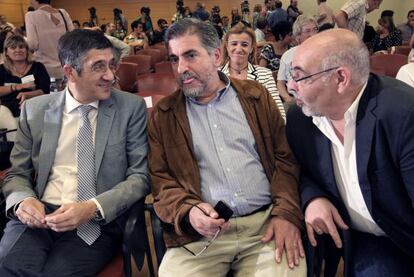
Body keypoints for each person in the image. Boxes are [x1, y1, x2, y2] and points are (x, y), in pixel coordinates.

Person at [148, 18, 305, 277]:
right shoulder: (164, 115)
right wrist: (188, 211)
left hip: (264, 226)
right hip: (201, 235)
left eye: (190, 56)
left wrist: (286, 214)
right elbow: (161, 181)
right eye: (175, 59)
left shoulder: (255, 96)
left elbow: (285, 160)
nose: (181, 68)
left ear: (216, 55)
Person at [0, 29, 149, 275]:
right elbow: (17, 173)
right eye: (98, 67)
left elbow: (140, 176)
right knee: (9, 266)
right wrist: (23, 201)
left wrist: (92, 207)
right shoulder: (36, 111)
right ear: (70, 72)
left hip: (96, 220)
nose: (110, 76)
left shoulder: (129, 108)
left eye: (111, 65)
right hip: (40, 215)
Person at [285, 28, 414, 276]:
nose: (291, 86)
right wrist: (313, 198)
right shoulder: (300, 118)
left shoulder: (403, 114)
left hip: (404, 235)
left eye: (300, 76)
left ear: (340, 78)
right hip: (365, 240)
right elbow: (299, 169)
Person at [220, 22, 285, 120]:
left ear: (251, 48)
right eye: (234, 44)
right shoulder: (216, 75)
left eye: (244, 45)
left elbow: (279, 113)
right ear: (227, 47)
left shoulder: (264, 74)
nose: (238, 49)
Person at [0, 35, 50, 117]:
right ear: (6, 52)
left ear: (27, 50)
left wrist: (27, 94)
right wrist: (16, 87)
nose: (18, 50)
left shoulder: (38, 67)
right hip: (7, 114)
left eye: (21, 47)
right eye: (13, 47)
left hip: (35, 111)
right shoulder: (1, 69)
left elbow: (45, 90)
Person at [25, 0, 74, 80]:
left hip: (45, 68)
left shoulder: (31, 15)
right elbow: (73, 37)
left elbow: (32, 44)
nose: (30, 3)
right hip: (66, 65)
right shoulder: (63, 13)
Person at [277, 15, 318, 104]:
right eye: (307, 31)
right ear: (298, 36)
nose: (313, 34)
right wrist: (288, 99)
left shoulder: (323, 53)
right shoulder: (288, 56)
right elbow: (280, 83)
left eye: (315, 29)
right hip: (294, 100)